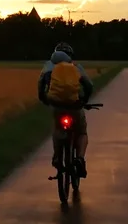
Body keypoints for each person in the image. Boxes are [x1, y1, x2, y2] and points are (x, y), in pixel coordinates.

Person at [37, 41, 93, 178]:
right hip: (74, 106)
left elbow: (40, 85)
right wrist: (84, 100)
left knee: (57, 130)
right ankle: (79, 158)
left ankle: (57, 159)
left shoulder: (48, 66)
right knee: (81, 132)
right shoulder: (76, 67)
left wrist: (44, 99)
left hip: (57, 106)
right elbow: (89, 85)